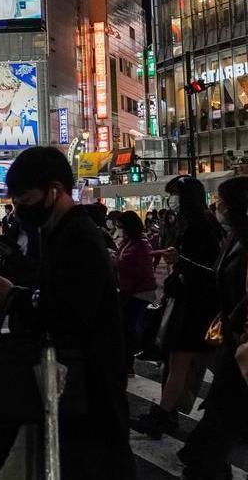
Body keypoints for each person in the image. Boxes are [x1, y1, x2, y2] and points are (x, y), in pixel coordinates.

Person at [0, 147, 134, 479]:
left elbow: (72, 312)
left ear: (55, 190)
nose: (19, 208)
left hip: (90, 383)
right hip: (71, 381)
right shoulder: (55, 231)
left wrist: (15, 298)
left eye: (25, 198)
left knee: (96, 464)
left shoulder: (78, 236)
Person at [132, 175, 221, 438]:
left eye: (175, 195)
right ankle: (166, 413)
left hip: (194, 306)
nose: (171, 201)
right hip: (187, 302)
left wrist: (180, 260)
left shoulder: (201, 225)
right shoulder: (192, 224)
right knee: (177, 361)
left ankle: (163, 416)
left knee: (180, 360)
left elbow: (209, 268)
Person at [178, 176, 248, 478]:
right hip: (232, 335)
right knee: (225, 403)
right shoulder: (233, 237)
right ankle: (205, 460)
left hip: (242, 335)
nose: (217, 206)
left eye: (221, 201)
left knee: (225, 403)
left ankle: (204, 462)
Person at [112, 211, 157, 374]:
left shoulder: (142, 244)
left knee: (130, 328)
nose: (119, 229)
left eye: (121, 226)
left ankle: (128, 363)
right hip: (128, 291)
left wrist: (119, 264)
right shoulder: (127, 242)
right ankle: (126, 361)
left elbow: (144, 271)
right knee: (127, 327)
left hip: (139, 293)